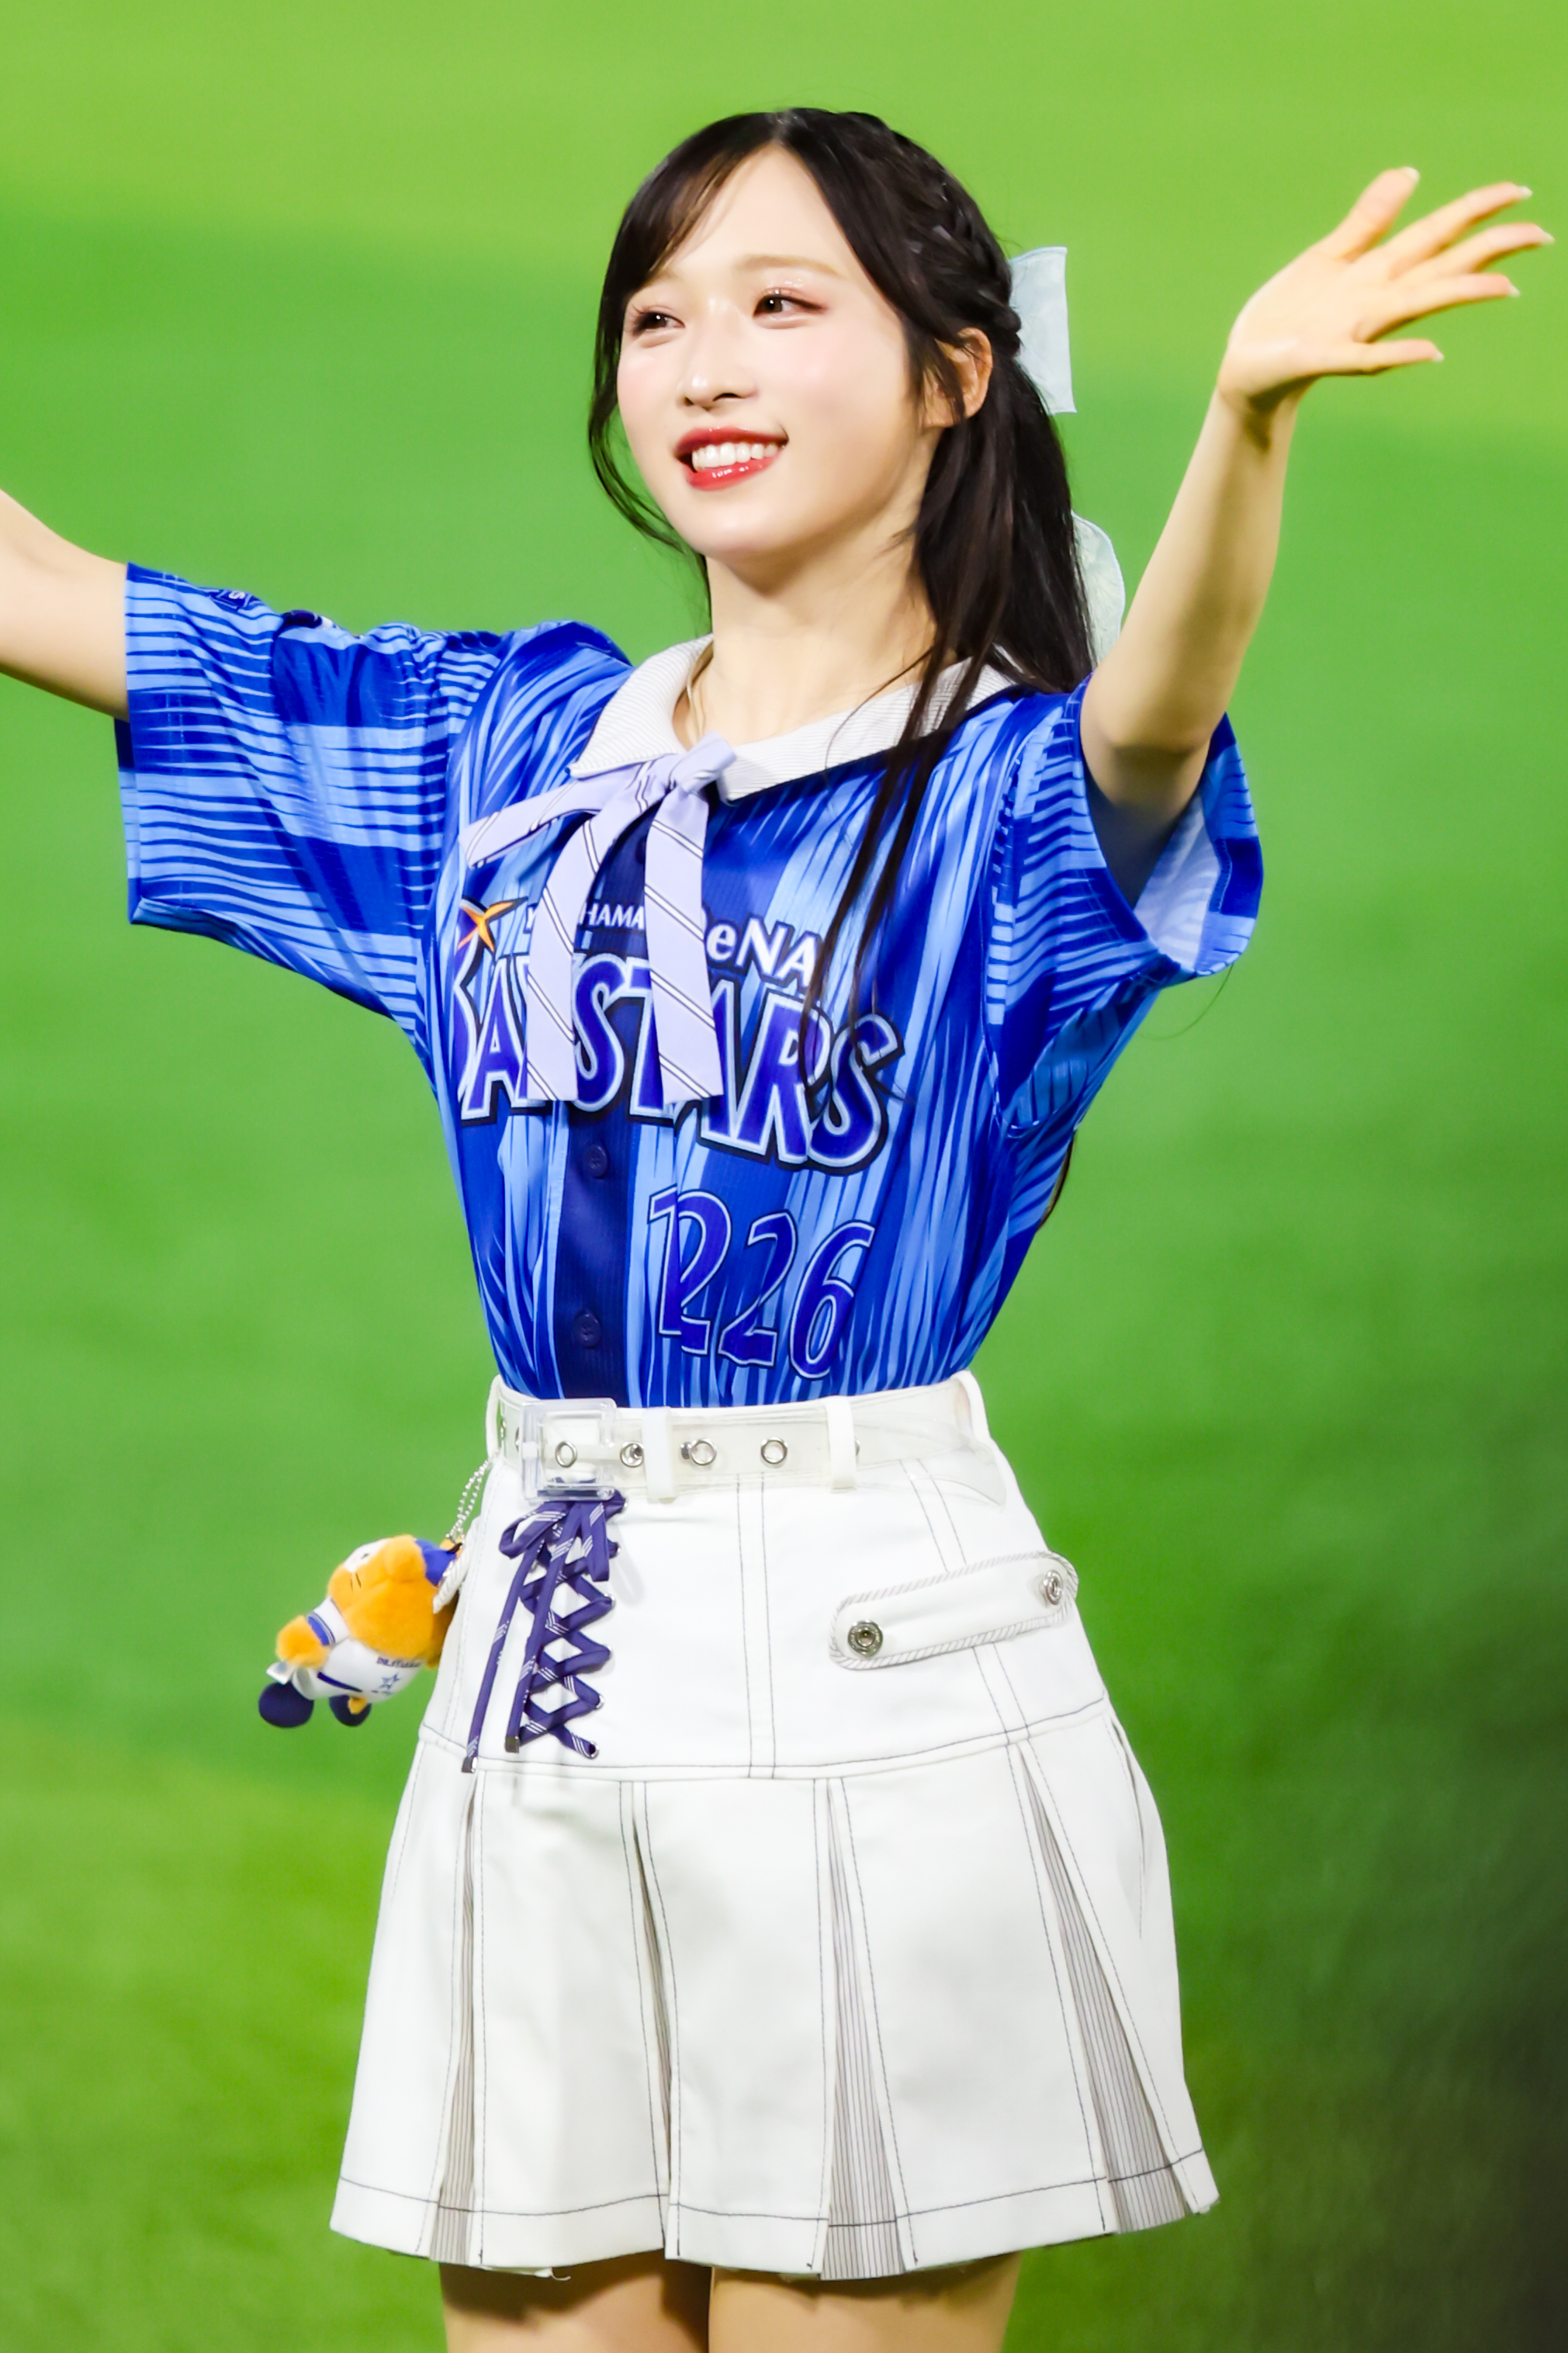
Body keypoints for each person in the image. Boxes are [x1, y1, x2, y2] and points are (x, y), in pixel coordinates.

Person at [0, 106, 1544, 2353]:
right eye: (656, 315)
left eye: (780, 305)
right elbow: (54, 600)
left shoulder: (1012, 800)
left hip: (869, 1656)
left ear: (954, 378)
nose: (701, 360)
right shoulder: (509, 753)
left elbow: (1157, 716)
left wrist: (1243, 423)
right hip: (544, 1643)